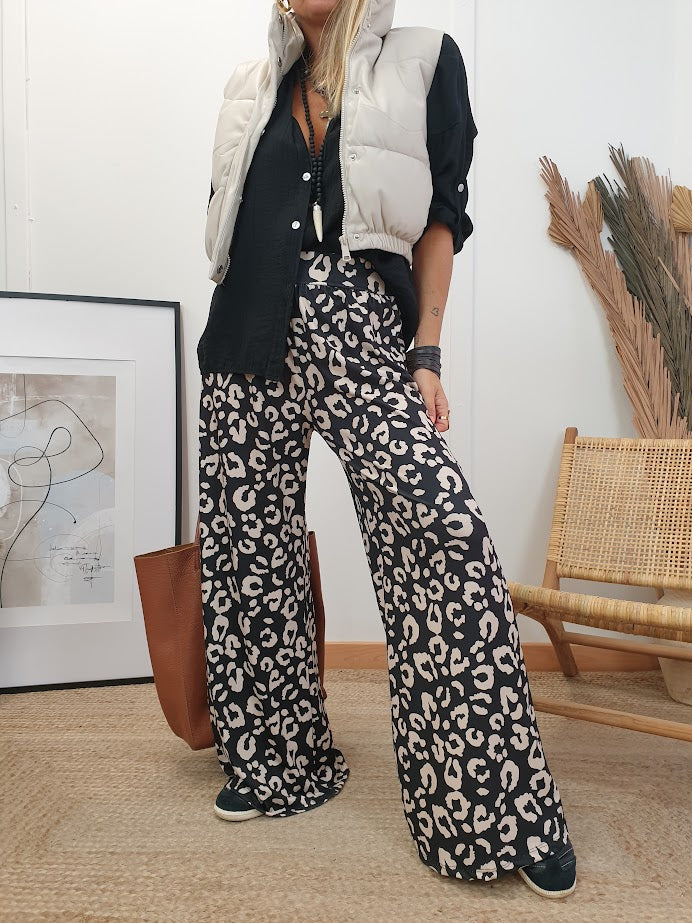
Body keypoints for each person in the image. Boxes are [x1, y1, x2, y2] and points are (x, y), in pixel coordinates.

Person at [197, 0, 577, 900]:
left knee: (445, 538)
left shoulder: (423, 59)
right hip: (245, 330)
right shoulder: (251, 82)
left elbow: (443, 214)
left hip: (360, 326)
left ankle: (498, 806)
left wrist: (426, 352)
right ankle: (277, 758)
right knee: (251, 558)